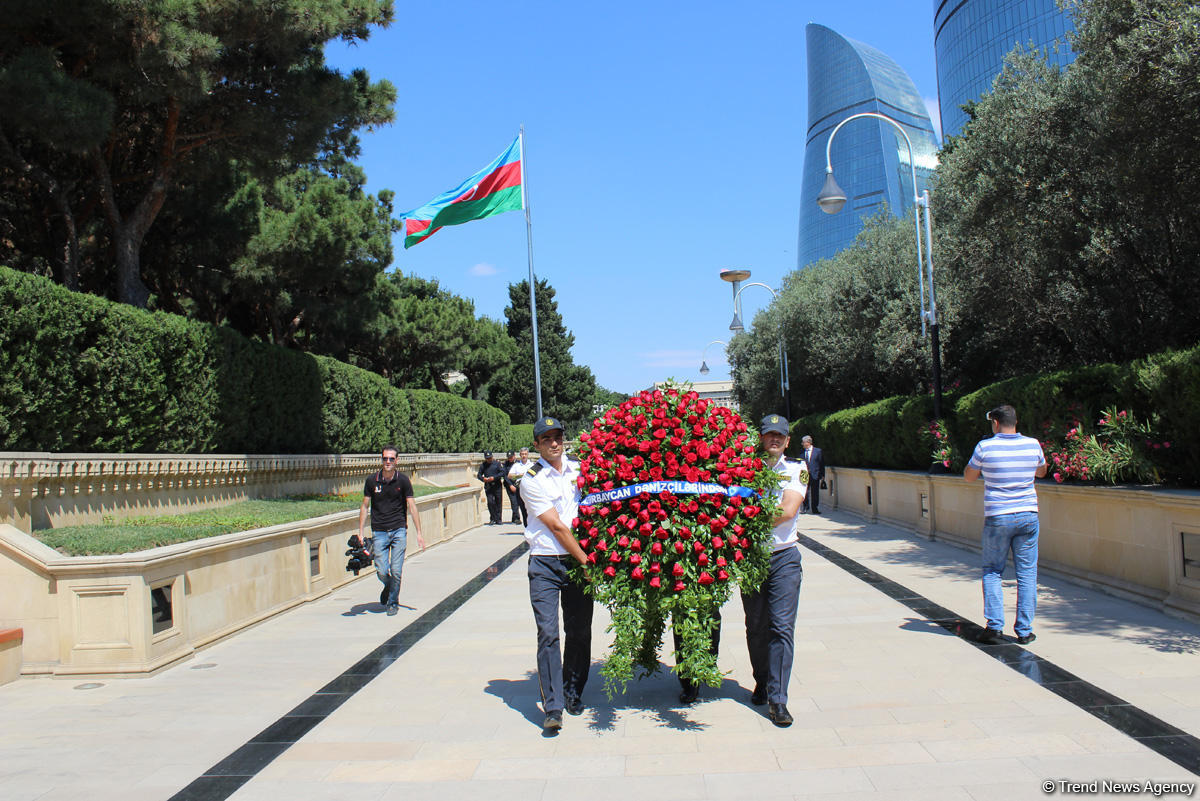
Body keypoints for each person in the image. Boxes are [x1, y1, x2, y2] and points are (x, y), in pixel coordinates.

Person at [520, 415, 593, 731]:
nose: (553, 443)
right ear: (536, 444)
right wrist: (587, 561)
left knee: (580, 631)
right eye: (546, 438)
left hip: (576, 564)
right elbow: (556, 525)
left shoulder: (580, 470)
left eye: (558, 437)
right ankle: (553, 707)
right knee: (548, 632)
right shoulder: (531, 478)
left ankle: (573, 691)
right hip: (547, 563)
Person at [742, 413, 807, 727]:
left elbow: (787, 510)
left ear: (787, 441)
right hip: (752, 560)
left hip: (784, 559)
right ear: (761, 437)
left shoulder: (796, 468)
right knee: (756, 626)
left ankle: (778, 699)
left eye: (780, 436)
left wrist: (746, 523)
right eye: (769, 435)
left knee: (781, 627)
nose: (775, 440)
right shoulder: (746, 469)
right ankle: (762, 679)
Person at [964, 404, 1047, 645]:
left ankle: (994, 627)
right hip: (1028, 514)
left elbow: (969, 476)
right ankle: (1024, 630)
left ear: (996, 423)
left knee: (992, 570)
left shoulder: (985, 447)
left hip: (999, 516)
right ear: (1016, 422)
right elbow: (1042, 471)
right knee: (1027, 573)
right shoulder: (1032, 444)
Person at [358, 445, 426, 616]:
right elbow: (365, 506)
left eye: (391, 459)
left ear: (397, 460)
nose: (388, 462)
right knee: (381, 570)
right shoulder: (372, 480)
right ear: (381, 460)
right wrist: (360, 531)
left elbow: (412, 506)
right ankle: (388, 586)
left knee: (396, 570)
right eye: (385, 459)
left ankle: (393, 602)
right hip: (379, 531)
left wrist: (419, 533)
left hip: (398, 530)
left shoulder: (402, 480)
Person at [506, 447, 533, 526]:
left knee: (530, 509)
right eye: (522, 454)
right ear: (520, 455)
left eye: (525, 454)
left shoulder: (531, 465)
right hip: (520, 488)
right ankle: (526, 527)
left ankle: (532, 527)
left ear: (528, 455)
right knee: (523, 509)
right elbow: (509, 475)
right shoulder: (516, 465)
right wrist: (519, 475)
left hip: (529, 489)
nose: (524, 456)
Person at [477, 451, 506, 525]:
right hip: (488, 486)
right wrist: (484, 479)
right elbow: (479, 475)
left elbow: (502, 473)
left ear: (492, 457)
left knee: (498, 502)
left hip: (497, 485)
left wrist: (494, 478)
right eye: (487, 458)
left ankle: (498, 519)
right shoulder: (483, 465)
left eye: (490, 458)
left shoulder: (497, 464)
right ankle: (492, 518)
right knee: (490, 502)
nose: (489, 459)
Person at [800, 435, 825, 514]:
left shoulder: (818, 451)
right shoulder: (801, 453)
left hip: (815, 474)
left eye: (803, 442)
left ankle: (815, 508)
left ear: (808, 442)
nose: (802, 444)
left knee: (815, 492)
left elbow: (821, 463)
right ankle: (805, 507)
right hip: (804, 475)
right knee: (805, 492)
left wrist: (822, 475)